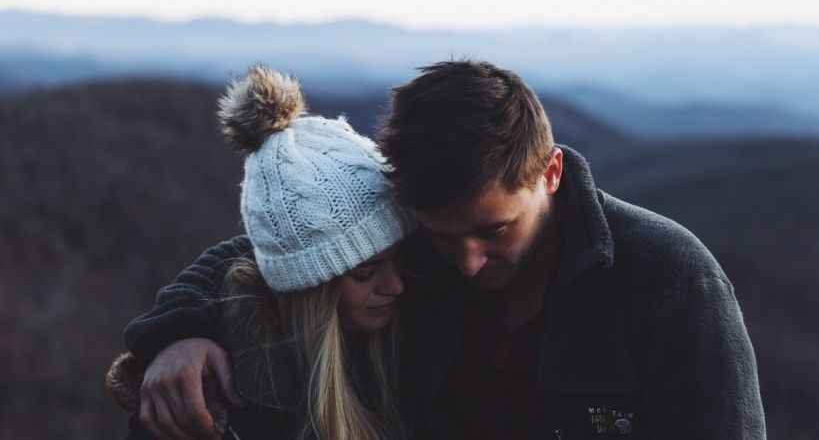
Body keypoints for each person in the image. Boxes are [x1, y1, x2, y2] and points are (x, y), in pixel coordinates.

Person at [123, 60, 767, 439]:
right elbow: (269, 252)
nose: (466, 263)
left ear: (550, 173)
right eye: (439, 237)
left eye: (495, 231)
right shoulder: (407, 250)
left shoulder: (669, 282)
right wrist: (180, 332)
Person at [110, 64, 418, 439]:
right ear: (309, 288)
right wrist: (177, 331)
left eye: (400, 258)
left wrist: (176, 327)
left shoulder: (423, 309)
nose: (396, 286)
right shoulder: (211, 400)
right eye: (365, 272)